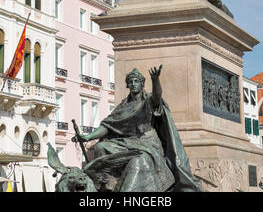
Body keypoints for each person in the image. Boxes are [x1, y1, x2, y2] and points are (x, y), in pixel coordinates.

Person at [74, 65, 202, 192]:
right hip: (126, 142)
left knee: (139, 159)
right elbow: (108, 125)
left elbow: (157, 97)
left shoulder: (148, 101)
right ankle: (106, 184)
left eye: (136, 81)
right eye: (130, 82)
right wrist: (88, 137)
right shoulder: (123, 106)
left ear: (142, 84)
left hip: (146, 142)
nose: (133, 84)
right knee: (100, 147)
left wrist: (155, 80)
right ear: (127, 85)